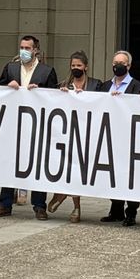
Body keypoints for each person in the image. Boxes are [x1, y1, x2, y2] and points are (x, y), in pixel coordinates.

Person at [0, 36, 57, 219]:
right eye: (21, 47)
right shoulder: (11, 68)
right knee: (10, 162)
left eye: (27, 48)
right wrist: (7, 85)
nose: (24, 50)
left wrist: (40, 93)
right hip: (13, 124)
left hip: (36, 125)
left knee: (37, 164)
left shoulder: (46, 71)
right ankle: (5, 203)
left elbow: (54, 98)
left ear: (35, 50)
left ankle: (39, 205)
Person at [48, 52, 103, 222]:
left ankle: (67, 197)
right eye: (73, 66)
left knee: (80, 169)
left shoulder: (95, 84)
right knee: (68, 168)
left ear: (86, 66)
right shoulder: (64, 85)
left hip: (88, 133)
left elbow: (102, 103)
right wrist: (62, 95)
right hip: (67, 132)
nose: (76, 68)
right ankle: (73, 204)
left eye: (79, 66)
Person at [93, 50, 140, 224]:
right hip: (110, 137)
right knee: (113, 174)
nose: (117, 66)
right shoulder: (105, 86)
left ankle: (131, 212)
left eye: (121, 63)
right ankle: (116, 209)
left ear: (128, 66)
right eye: (115, 63)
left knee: (130, 175)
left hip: (129, 138)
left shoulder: (138, 87)